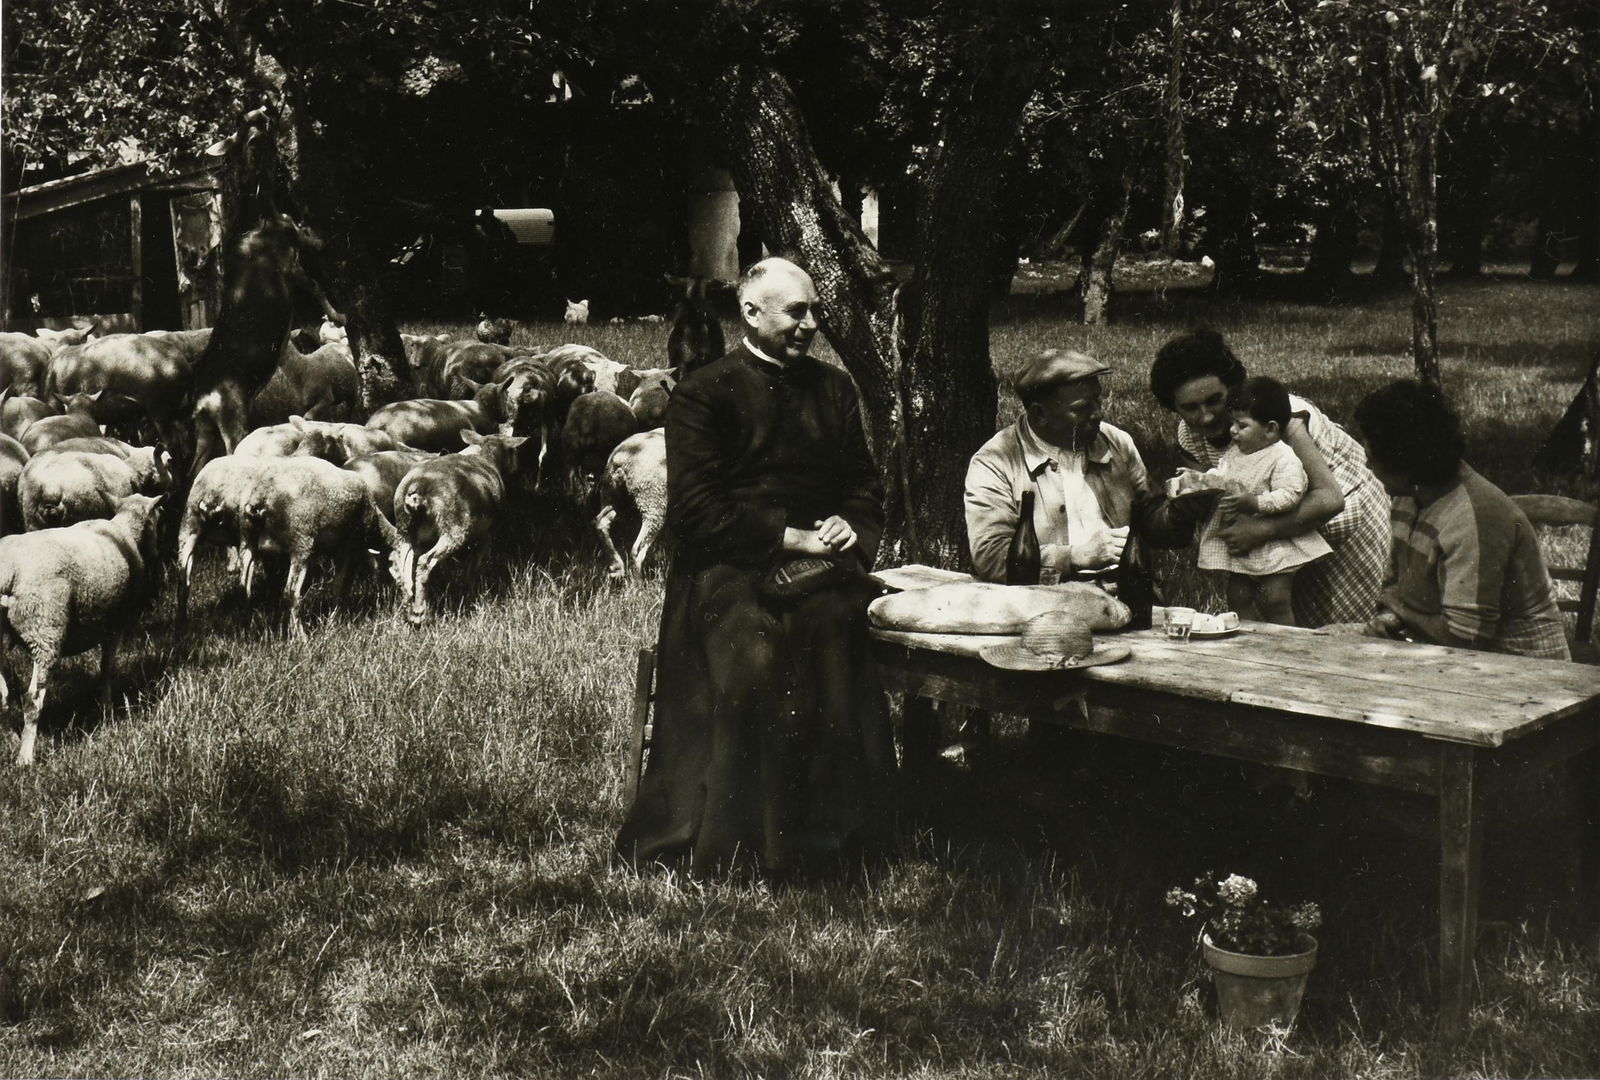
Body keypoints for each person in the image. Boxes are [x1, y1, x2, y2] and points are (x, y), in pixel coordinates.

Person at [615, 256, 895, 876]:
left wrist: (851, 522)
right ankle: (747, 852)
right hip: (726, 568)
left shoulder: (834, 390)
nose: (811, 324)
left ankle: (840, 845)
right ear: (750, 312)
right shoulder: (701, 393)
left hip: (822, 570)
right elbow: (695, 514)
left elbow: (864, 486)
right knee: (756, 660)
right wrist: (793, 537)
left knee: (837, 638)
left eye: (815, 311)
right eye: (797, 311)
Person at [1149, 328, 1390, 627]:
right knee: (1283, 617)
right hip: (1280, 525)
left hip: (1347, 516)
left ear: (1234, 389)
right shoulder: (1189, 435)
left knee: (1340, 632)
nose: (1206, 417)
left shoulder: (1279, 417)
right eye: (1189, 408)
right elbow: (1211, 492)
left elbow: (1330, 497)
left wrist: (1262, 530)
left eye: (1215, 401)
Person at [1349, 379, 1568, 659]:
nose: (1367, 465)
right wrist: (1391, 617)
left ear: (1403, 462)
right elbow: (1396, 588)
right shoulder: (1409, 495)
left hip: (1519, 669)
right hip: (1443, 655)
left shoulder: (1474, 515)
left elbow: (1465, 638)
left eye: (1371, 457)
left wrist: (1401, 610)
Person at [965, 348, 1197, 584]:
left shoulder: (1115, 442)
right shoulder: (995, 463)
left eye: (1097, 400)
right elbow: (991, 557)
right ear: (1039, 414)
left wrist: (1182, 510)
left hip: (1125, 589)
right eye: (1081, 408)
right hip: (1048, 598)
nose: (1098, 413)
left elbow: (1151, 520)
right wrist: (1076, 557)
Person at [1188, 376, 1332, 624]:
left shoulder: (1283, 457)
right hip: (1242, 543)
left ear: (1270, 429)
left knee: (1275, 598)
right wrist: (1202, 479)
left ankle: (1286, 643)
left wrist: (1255, 503)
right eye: (1233, 423)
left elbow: (1291, 494)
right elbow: (1223, 476)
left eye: (1241, 426)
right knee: (1237, 594)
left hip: (1274, 542)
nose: (1232, 431)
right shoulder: (1236, 452)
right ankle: (1250, 642)